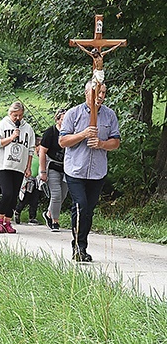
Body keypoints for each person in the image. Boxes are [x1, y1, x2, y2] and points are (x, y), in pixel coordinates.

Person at [59, 80, 120, 262]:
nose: (101, 96)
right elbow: (63, 142)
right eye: (97, 92)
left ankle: (83, 245)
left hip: (97, 171)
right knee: (80, 205)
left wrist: (101, 144)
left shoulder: (109, 115)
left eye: (104, 93)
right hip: (75, 169)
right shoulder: (73, 114)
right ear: (87, 93)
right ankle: (78, 247)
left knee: (89, 210)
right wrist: (83, 134)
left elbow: (115, 142)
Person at [0, 101, 35, 234]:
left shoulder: (28, 129)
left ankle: (8, 222)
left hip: (19, 166)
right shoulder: (2, 124)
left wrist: (28, 167)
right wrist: (11, 137)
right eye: (15, 115)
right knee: (7, 193)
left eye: (20, 115)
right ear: (10, 113)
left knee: (14, 195)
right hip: (4, 164)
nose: (17, 118)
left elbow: (31, 149)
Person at [39, 109, 68, 232]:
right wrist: (43, 171)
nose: (65, 122)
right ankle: (55, 221)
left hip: (66, 167)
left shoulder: (71, 132)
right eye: (63, 119)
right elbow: (42, 151)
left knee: (63, 194)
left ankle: (49, 213)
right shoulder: (50, 132)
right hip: (52, 166)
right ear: (57, 119)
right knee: (56, 194)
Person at [14, 137, 42, 225]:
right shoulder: (31, 155)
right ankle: (18, 211)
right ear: (36, 146)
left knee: (35, 199)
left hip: (37, 180)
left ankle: (32, 217)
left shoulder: (41, 156)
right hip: (29, 179)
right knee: (26, 197)